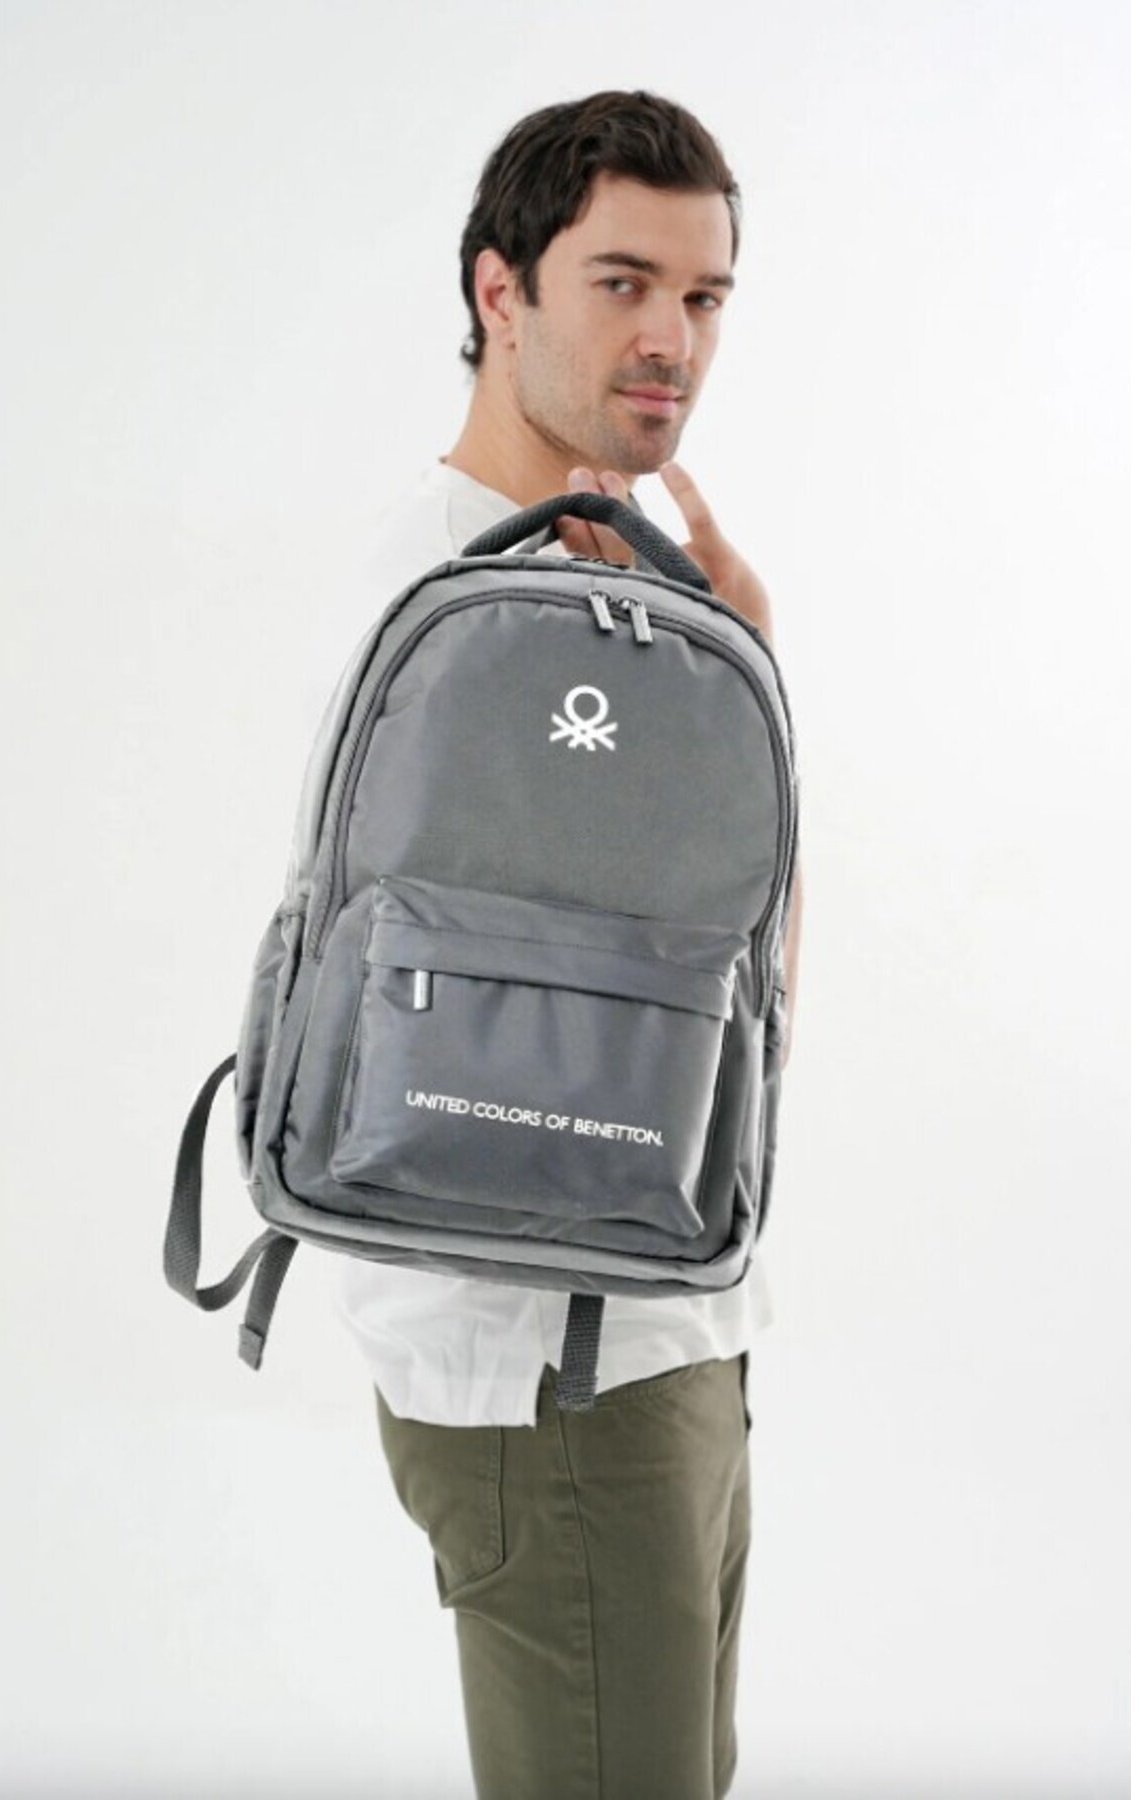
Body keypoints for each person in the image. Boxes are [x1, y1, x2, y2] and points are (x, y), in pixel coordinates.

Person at [337, 90, 804, 1800]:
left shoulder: (622, 594)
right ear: (499, 291)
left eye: (703, 296)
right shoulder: (462, 601)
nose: (671, 338)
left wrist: (740, 662)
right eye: (621, 283)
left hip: (667, 1331)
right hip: (557, 1378)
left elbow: (741, 1009)